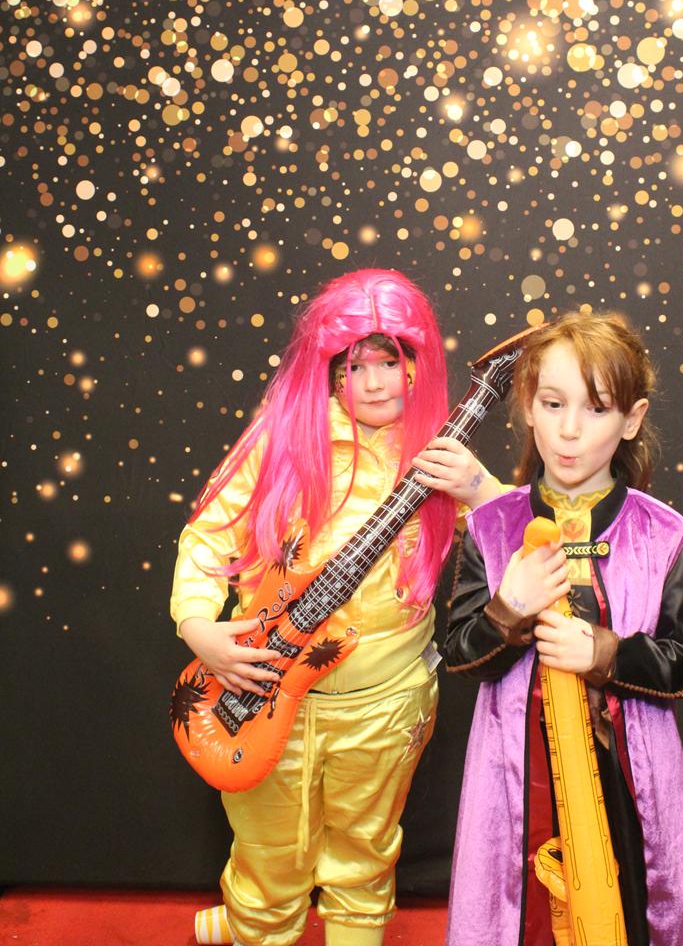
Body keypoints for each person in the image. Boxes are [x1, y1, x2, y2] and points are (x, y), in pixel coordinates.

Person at [171, 268, 501, 946]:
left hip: (385, 704)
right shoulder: (282, 439)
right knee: (268, 853)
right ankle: (254, 922)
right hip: (263, 694)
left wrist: (482, 491)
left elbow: (522, 557)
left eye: (390, 363)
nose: (375, 383)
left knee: (364, 855)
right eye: (355, 367)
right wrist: (199, 626)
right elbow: (207, 539)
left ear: (417, 365)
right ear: (328, 370)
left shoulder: (438, 453)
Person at [444, 311, 683, 946]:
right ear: (528, 408)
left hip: (628, 778)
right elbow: (460, 655)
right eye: (553, 404)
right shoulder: (490, 527)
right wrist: (507, 610)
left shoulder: (663, 534)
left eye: (596, 409)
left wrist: (604, 652)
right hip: (517, 775)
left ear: (632, 418)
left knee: (629, 911)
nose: (569, 430)